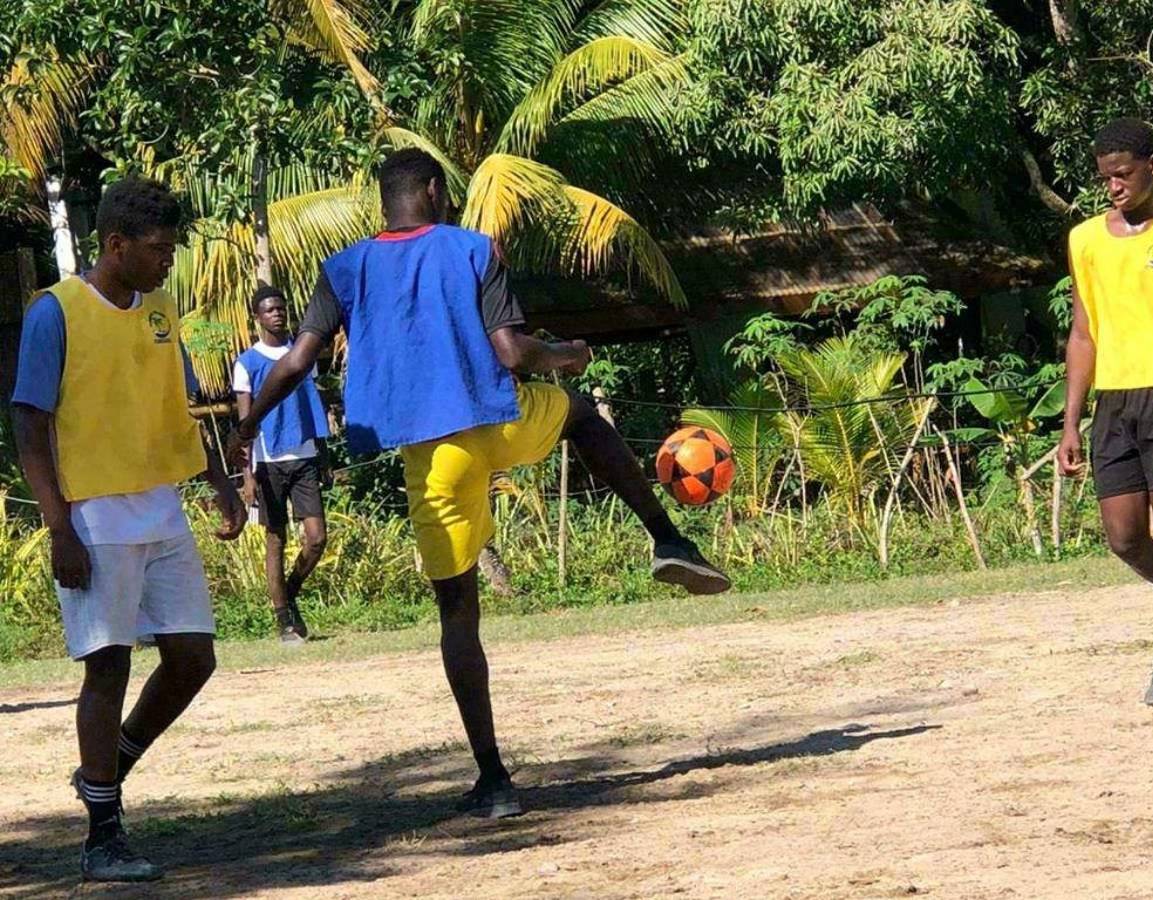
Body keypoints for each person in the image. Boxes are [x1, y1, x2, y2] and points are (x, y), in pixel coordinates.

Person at [227, 148, 731, 819]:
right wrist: (568, 355)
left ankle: (494, 781)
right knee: (579, 415)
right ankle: (668, 538)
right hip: (494, 420)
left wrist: (246, 427)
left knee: (458, 614)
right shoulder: (473, 250)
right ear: (433, 191)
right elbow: (513, 353)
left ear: (387, 200)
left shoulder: (344, 268)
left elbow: (293, 362)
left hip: (429, 458)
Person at [12, 177, 246, 881]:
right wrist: (59, 527)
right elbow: (28, 422)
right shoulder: (57, 312)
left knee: (192, 657)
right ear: (115, 245)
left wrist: (218, 482)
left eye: (171, 249)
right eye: (156, 249)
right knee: (108, 667)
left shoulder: (162, 309)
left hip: (160, 506)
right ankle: (102, 837)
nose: (166, 261)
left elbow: (175, 406)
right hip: (94, 514)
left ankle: (106, 768)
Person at [1057, 117, 1153, 706]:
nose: (1114, 186)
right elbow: (1084, 332)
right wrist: (1071, 419)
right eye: (1106, 178)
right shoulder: (1084, 240)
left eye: (1123, 174)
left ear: (1152, 168)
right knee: (1122, 537)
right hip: (1114, 401)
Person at [233, 285, 330, 644]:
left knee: (317, 538)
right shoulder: (248, 362)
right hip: (269, 460)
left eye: (281, 308)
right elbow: (246, 423)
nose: (278, 314)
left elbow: (313, 404)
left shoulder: (302, 354)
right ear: (257, 318)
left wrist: (324, 454)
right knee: (276, 538)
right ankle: (283, 619)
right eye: (270, 310)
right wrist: (248, 475)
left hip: (304, 455)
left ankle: (290, 590)